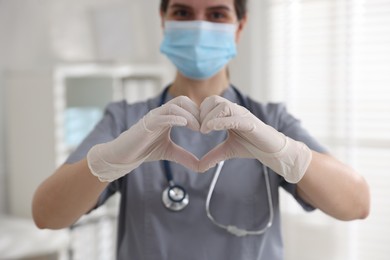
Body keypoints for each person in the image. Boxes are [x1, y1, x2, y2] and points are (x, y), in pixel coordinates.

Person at [32, 0, 370, 259]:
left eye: (217, 14)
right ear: (163, 22)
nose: (199, 27)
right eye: (182, 13)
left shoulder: (271, 122)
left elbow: (357, 204)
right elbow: (46, 214)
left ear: (240, 27)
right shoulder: (126, 121)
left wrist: (288, 154)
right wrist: (105, 163)